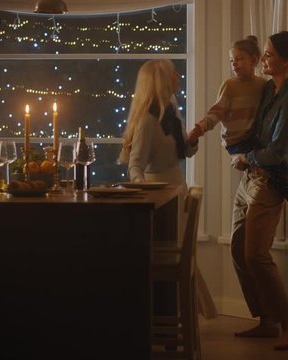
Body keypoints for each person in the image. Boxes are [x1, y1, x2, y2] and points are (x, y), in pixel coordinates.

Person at [226, 31, 288, 351]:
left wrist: (244, 156)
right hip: (249, 179)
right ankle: (266, 321)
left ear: (286, 62)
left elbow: (276, 151)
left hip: (271, 182)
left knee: (256, 255)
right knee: (237, 249)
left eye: (269, 55)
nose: (263, 60)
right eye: (262, 54)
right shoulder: (268, 91)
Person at [118, 59, 217, 321]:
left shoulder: (171, 111)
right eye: (173, 74)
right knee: (177, 253)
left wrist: (193, 138)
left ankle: (175, 310)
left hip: (176, 189)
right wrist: (144, 193)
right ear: (163, 80)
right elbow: (135, 164)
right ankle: (171, 310)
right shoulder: (148, 120)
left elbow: (183, 150)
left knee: (181, 252)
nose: (178, 77)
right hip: (160, 195)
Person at [187, 36, 288, 223]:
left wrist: (248, 158)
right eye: (231, 60)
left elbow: (276, 148)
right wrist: (201, 127)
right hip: (238, 144)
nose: (234, 64)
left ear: (253, 59)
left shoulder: (271, 89)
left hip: (254, 148)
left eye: (239, 59)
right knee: (273, 170)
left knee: (274, 169)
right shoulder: (239, 86)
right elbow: (216, 112)